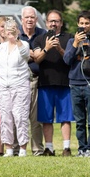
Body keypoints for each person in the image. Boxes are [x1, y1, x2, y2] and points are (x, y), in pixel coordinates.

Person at [63, 10, 90, 157]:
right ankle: (81, 148)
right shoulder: (71, 41)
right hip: (75, 84)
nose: (84, 26)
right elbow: (66, 60)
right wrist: (75, 43)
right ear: (77, 24)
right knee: (80, 120)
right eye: (81, 23)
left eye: (87, 23)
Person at [31, 10, 74, 156]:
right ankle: (49, 148)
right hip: (45, 83)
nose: (53, 24)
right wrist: (47, 48)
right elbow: (37, 59)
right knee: (46, 118)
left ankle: (66, 148)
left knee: (65, 117)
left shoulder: (69, 38)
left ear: (61, 23)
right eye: (51, 21)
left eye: (56, 21)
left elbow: (71, 59)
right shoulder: (39, 39)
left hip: (64, 83)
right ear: (46, 23)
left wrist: (60, 49)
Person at [0, 19, 31, 156]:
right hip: (3, 87)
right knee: (5, 117)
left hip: (20, 85)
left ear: (17, 30)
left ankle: (23, 149)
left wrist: (17, 40)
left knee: (20, 117)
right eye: (8, 30)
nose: (10, 33)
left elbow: (26, 54)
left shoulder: (23, 44)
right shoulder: (1, 47)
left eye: (13, 30)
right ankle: (8, 149)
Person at [19, 6, 45, 155]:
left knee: (36, 118)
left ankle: (37, 149)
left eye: (32, 17)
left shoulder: (43, 34)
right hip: (18, 81)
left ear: (36, 19)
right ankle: (17, 148)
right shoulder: (16, 35)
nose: (29, 20)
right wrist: (30, 53)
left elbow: (43, 56)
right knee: (19, 115)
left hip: (36, 79)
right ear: (22, 19)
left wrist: (28, 53)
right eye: (26, 17)